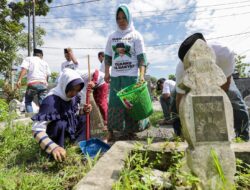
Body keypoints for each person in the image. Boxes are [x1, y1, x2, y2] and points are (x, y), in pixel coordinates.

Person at [175, 33, 249, 141]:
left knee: (236, 103)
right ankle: (184, 136)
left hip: (221, 79)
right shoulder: (181, 70)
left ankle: (243, 137)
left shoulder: (224, 52)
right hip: (194, 83)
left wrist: (212, 106)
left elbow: (225, 84)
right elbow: (180, 98)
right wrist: (185, 120)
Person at [104, 4, 149, 140]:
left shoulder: (136, 36)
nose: (121, 21)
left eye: (124, 17)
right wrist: (107, 73)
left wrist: (141, 76)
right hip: (116, 77)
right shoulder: (112, 36)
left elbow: (142, 58)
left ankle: (131, 131)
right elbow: (107, 57)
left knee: (131, 106)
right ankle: (111, 131)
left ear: (129, 18)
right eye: (118, 18)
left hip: (131, 77)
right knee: (114, 104)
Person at [31, 68, 92, 162]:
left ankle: (79, 146)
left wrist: (83, 110)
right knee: (60, 124)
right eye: (72, 90)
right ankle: (57, 152)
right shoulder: (51, 101)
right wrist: (53, 147)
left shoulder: (74, 98)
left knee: (84, 118)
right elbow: (36, 130)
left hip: (68, 129)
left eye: (77, 90)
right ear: (64, 85)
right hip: (54, 134)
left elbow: (73, 113)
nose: (74, 93)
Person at [16, 48, 51, 113]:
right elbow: (48, 74)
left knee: (28, 101)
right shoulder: (45, 62)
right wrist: (46, 83)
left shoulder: (29, 59)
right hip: (43, 85)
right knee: (42, 102)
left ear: (34, 54)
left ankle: (31, 119)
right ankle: (43, 118)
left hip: (33, 84)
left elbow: (24, 69)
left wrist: (19, 80)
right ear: (41, 55)